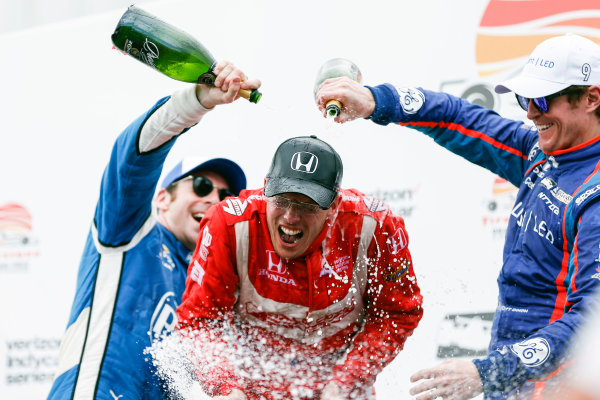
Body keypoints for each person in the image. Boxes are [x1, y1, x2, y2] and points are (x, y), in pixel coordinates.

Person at [314, 33, 600, 399]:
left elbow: (590, 322)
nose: (530, 112)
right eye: (524, 98)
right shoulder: (539, 150)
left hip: (562, 386)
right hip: (515, 381)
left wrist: (492, 371)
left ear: (591, 98)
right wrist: (375, 100)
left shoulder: (594, 192)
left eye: (542, 99)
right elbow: (456, 118)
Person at [47, 61, 259, 399]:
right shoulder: (131, 230)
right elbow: (131, 160)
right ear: (162, 198)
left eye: (225, 196)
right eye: (202, 186)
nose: (214, 201)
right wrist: (195, 101)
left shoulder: (207, 284)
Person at [167, 135, 423, 399]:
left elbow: (397, 313)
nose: (290, 216)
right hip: (251, 391)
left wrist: (346, 381)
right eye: (281, 199)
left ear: (333, 205)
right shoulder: (230, 224)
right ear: (266, 187)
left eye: (306, 204)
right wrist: (228, 387)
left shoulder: (375, 226)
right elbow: (199, 322)